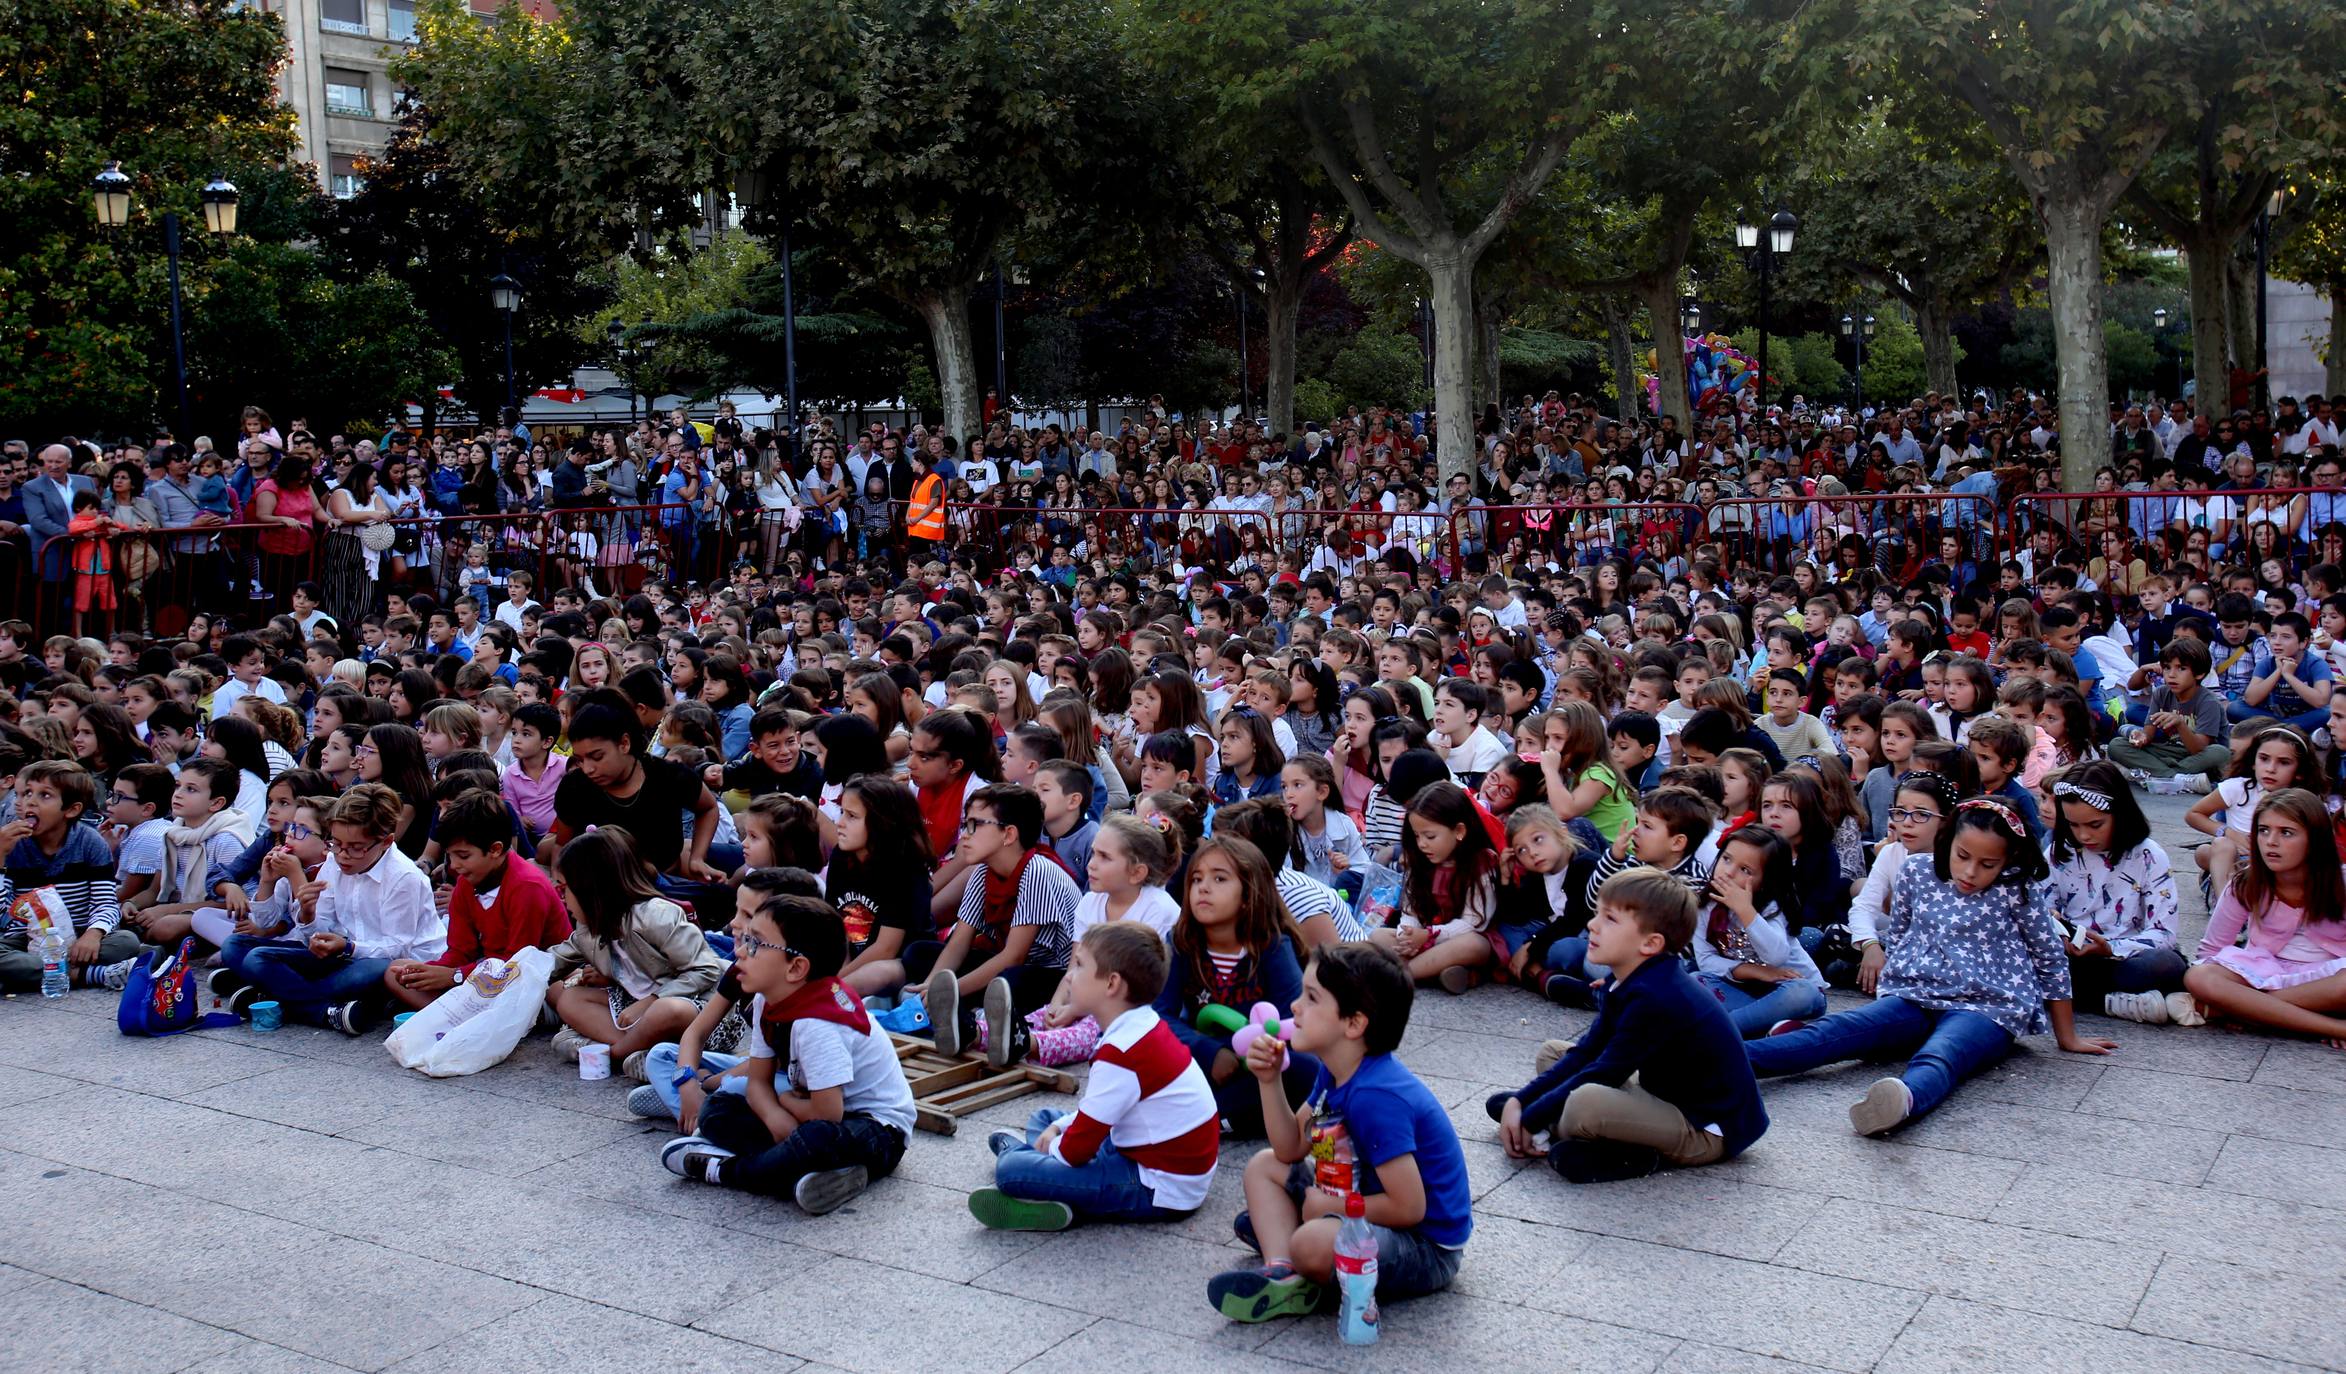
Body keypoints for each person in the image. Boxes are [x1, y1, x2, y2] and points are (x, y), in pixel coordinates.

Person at [1747, 799, 2115, 1136]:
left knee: (1942, 1053)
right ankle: (1732, 1058)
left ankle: (1902, 1101)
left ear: (2007, 860)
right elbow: (1900, 936)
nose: (1970, 872)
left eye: (1988, 864)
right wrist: (1890, 990)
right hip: (1915, 995)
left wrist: (2067, 1037)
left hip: (1987, 1007)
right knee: (1839, 1030)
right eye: (1962, 856)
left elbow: (2049, 956)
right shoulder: (1916, 870)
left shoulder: (2018, 888)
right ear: (1947, 841)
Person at [1205, 942, 1471, 1322]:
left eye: (1311, 998)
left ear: (1354, 1024)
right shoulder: (1334, 1071)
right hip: (1356, 1197)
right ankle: (1282, 1269)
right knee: (1263, 1166)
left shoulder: (1376, 1097)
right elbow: (1290, 1147)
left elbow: (1410, 1207)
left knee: (1312, 1243)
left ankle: (1297, 1244)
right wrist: (1269, 1081)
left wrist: (1329, 1209)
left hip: (1424, 1246)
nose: (1295, 1006)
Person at [1491, 865, 1768, 1181]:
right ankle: (1557, 1123)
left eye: (1609, 919)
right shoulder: (1625, 978)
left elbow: (1607, 1071)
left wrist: (1530, 1117)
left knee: (1584, 1103)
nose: (1592, 925)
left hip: (1705, 1129)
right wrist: (1523, 1100)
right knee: (1552, 1053)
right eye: (1597, 913)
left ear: (1650, 944)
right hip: (1661, 1094)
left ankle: (1631, 1153)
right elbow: (1588, 1052)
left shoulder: (1657, 996)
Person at [658, 880, 916, 1215]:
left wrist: (783, 1104)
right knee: (716, 1111)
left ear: (795, 968)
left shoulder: (818, 1023)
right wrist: (773, 1114)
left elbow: (828, 1115)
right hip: (813, 1113)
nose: (740, 951)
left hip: (876, 1129)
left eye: (755, 944)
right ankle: (818, 1172)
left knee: (815, 1140)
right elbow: (758, 1082)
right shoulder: (767, 1000)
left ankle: (727, 1170)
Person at [970, 921, 1219, 1231]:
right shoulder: (1142, 1024)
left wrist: (1053, 1148)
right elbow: (1097, 1116)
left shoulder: (1122, 1052)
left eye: (1079, 965)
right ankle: (1045, 1176)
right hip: (1151, 1155)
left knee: (1010, 1171)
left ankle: (1028, 1168)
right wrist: (1057, 1130)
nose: (1069, 976)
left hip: (1157, 1186)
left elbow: (1075, 1151)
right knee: (1045, 1118)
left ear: (1111, 984)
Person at [233, 783, 441, 1035]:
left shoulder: (403, 877)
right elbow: (319, 931)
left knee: (368, 971)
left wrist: (348, 947)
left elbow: (398, 947)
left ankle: (281, 995)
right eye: (336, 843)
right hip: (342, 957)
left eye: (356, 847)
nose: (342, 855)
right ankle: (324, 1008)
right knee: (253, 955)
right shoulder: (333, 862)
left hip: (386, 963)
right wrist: (308, 915)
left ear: (386, 842)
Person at [910, 782, 1080, 1066]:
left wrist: (949, 992)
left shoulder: (1038, 871)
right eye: (965, 825)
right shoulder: (983, 871)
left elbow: (1014, 956)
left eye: (975, 825)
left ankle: (970, 1019)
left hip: (1049, 975)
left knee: (1009, 982)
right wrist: (933, 984)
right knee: (919, 953)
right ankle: (957, 1009)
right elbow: (959, 942)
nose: (965, 836)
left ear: (1009, 834)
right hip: (1004, 965)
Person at [544, 827, 725, 1078]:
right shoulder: (588, 929)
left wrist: (651, 1001)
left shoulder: (656, 916)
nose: (562, 899)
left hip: (697, 1009)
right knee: (569, 999)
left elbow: (706, 969)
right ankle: (647, 1055)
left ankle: (614, 1054)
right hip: (636, 1011)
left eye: (565, 889)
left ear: (590, 888)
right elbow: (552, 961)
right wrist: (510, 976)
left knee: (666, 1011)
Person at [386, 788, 570, 1011]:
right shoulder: (467, 880)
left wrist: (453, 976)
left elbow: (517, 965)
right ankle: (456, 1014)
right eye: (450, 855)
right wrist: (430, 972)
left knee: (553, 995)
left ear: (495, 850)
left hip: (530, 981)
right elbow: (460, 951)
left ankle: (456, 1015)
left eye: (463, 856)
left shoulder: (528, 886)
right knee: (396, 970)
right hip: (482, 974)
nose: (454, 865)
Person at [2040, 762, 2192, 1025]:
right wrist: (2055, 926)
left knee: (2167, 964)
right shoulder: (2058, 852)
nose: (2084, 835)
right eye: (2074, 825)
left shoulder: (2149, 855)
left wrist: (2110, 948)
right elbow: (2041, 910)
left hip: (2127, 955)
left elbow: (2164, 933)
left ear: (2120, 814)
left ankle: (2077, 998)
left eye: (2095, 824)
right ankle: (2111, 1003)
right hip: (2073, 955)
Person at [0, 760, 139, 991]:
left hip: (79, 934)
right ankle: (89, 974)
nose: (29, 802)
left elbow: (105, 902)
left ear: (71, 810)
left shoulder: (89, 842)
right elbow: (2, 915)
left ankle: (35, 975)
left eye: (44, 795)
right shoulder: (12, 845)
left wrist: (94, 934)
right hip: (28, 940)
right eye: (26, 793)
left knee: (126, 941)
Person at [1690, 826, 1829, 1038]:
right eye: (1726, 859)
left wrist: (1746, 911)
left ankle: (1717, 1032)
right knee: (1695, 980)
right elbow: (1706, 960)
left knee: (1803, 993)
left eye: (1745, 870)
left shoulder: (1771, 907)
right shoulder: (1705, 904)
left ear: (1767, 880)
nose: (1728, 872)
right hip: (1742, 989)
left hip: (1787, 990)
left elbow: (1776, 956)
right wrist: (1757, 971)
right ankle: (1767, 1026)